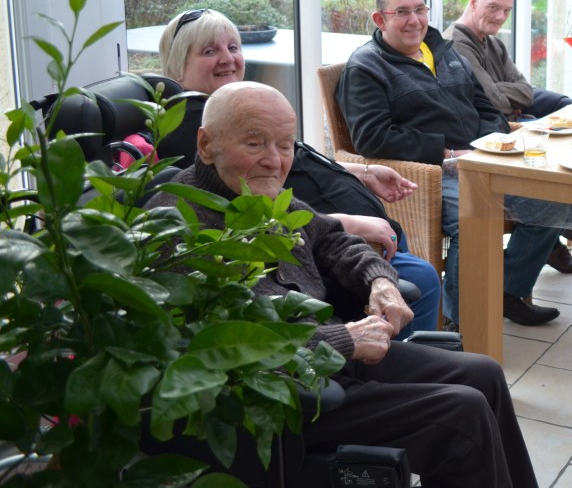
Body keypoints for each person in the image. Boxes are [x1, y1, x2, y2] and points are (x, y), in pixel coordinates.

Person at [146, 82, 537, 487]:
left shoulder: (263, 200)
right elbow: (217, 345)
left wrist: (380, 282)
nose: (274, 160)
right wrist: (344, 340)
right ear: (207, 145)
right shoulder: (176, 224)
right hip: (277, 395)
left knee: (483, 375)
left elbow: (334, 240)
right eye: (255, 143)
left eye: (285, 145)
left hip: (330, 361)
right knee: (462, 415)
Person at [154, 8, 441, 337]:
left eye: (233, 47)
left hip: (355, 239)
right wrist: (350, 223)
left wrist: (362, 172)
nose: (227, 59)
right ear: (178, 65)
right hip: (321, 253)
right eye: (209, 51)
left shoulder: (247, 107)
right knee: (421, 282)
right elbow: (245, 205)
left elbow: (298, 159)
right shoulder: (191, 121)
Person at [337, 0, 572, 327]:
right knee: (473, 218)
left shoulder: (444, 51)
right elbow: (372, 136)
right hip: (431, 171)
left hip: (478, 158)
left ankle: (507, 290)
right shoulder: (366, 68)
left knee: (551, 195)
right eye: (401, 12)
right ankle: (459, 325)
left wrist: (487, 144)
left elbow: (484, 105)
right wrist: (444, 152)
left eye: (420, 10)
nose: (414, 20)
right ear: (380, 19)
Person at [445, 0, 572, 273]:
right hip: (491, 129)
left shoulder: (493, 43)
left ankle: (561, 237)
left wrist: (507, 92)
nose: (500, 17)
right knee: (552, 151)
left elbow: (524, 88)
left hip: (511, 117)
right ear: (473, 2)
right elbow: (492, 101)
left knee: (568, 113)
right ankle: (569, 228)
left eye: (507, 11)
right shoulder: (455, 44)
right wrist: (508, 94)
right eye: (494, 7)